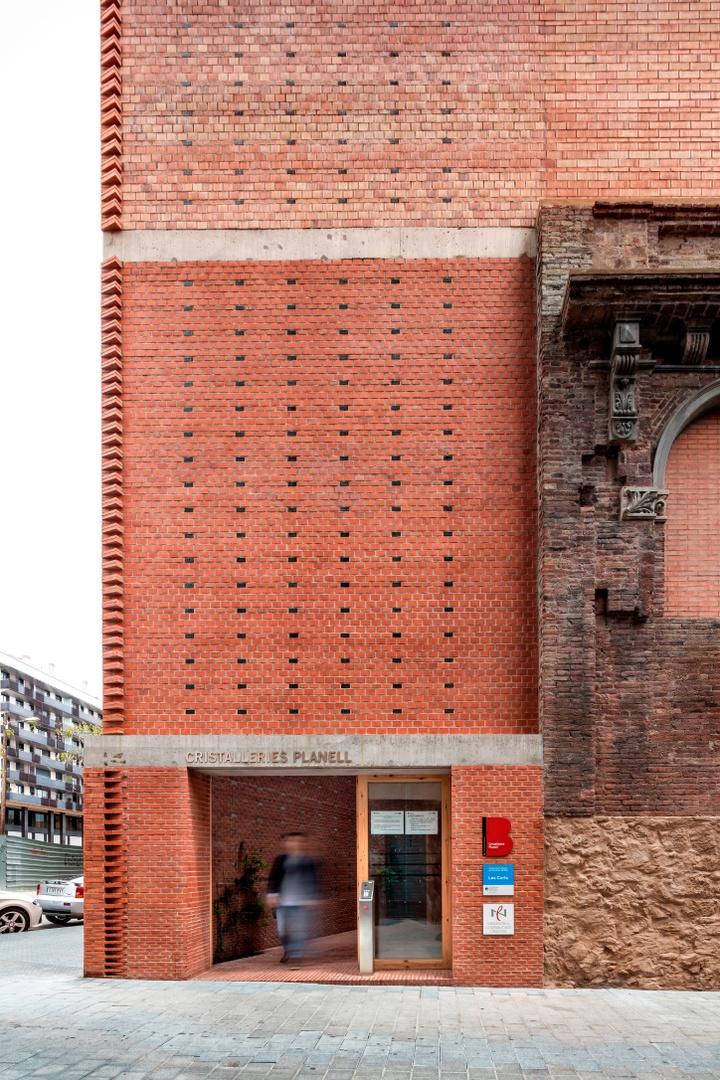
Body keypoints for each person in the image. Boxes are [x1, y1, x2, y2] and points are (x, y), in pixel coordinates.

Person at [267, 832, 320, 964]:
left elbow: (314, 880)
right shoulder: (281, 860)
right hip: (283, 902)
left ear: (303, 844)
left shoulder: (308, 861)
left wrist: (313, 897)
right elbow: (273, 879)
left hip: (300, 902)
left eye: (298, 841)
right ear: (286, 843)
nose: (294, 844)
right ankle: (288, 950)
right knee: (282, 930)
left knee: (299, 930)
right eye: (291, 841)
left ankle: (296, 956)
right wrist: (272, 895)